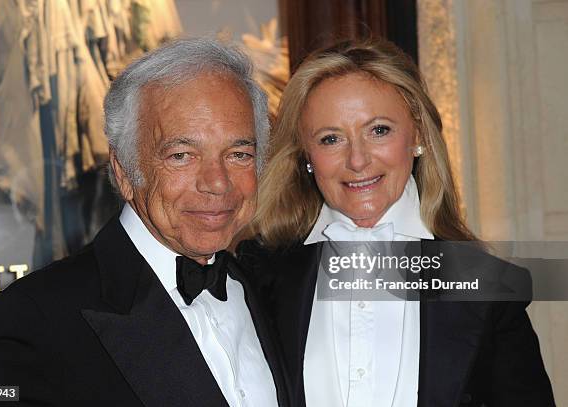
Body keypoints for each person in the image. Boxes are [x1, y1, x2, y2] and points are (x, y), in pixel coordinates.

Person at [0, 38, 288, 407]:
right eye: (181, 155)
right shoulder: (28, 321)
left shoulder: (267, 290)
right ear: (124, 171)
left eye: (239, 153)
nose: (217, 182)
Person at [237, 39, 555, 407]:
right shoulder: (256, 275)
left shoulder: (488, 288)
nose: (357, 160)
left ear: (417, 133)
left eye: (379, 130)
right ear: (306, 155)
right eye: (330, 139)